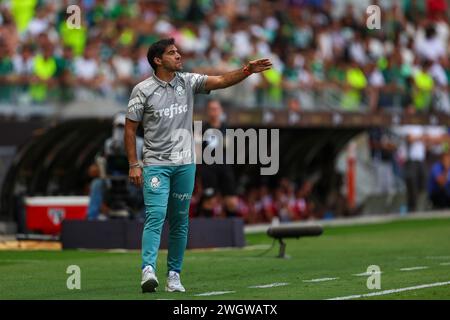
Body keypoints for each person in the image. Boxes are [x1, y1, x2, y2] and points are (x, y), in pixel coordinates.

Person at [124, 38, 272, 293]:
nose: (179, 55)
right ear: (158, 61)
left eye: (178, 51)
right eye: (172, 53)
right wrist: (133, 164)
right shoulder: (142, 89)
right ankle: (148, 269)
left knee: (180, 219)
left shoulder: (188, 81)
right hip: (156, 163)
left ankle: (174, 275)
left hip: (185, 163)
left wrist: (246, 70)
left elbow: (222, 81)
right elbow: (130, 128)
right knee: (156, 215)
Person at [198, 99, 239, 218]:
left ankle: (231, 233)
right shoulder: (202, 130)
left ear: (220, 111)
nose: (214, 112)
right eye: (211, 109)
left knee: (232, 202)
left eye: (216, 109)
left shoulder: (227, 128)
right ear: (207, 111)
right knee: (209, 201)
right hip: (209, 169)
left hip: (225, 168)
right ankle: (207, 232)